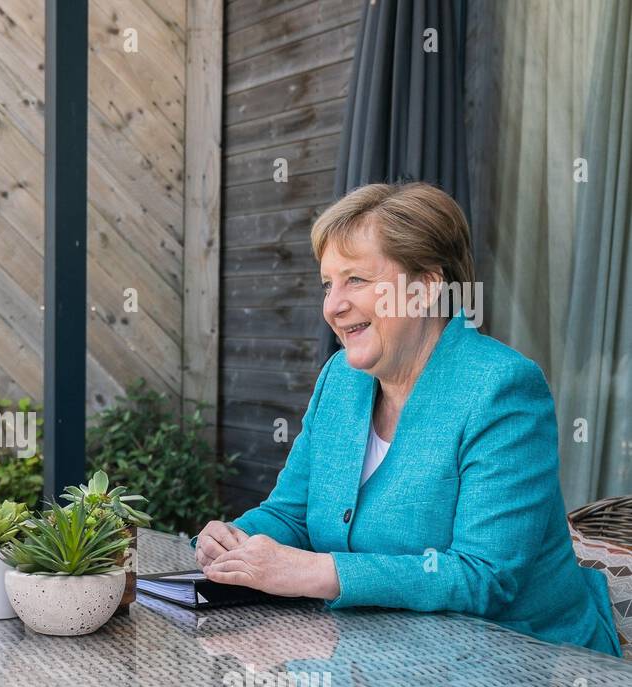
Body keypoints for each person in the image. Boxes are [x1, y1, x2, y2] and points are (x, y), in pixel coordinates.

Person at [196, 181, 619, 656]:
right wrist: (238, 541)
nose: (332, 306)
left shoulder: (501, 388)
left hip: (522, 671)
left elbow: (484, 575)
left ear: (425, 289)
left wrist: (316, 572)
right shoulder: (341, 379)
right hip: (375, 656)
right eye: (327, 284)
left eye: (355, 280)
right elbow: (291, 514)